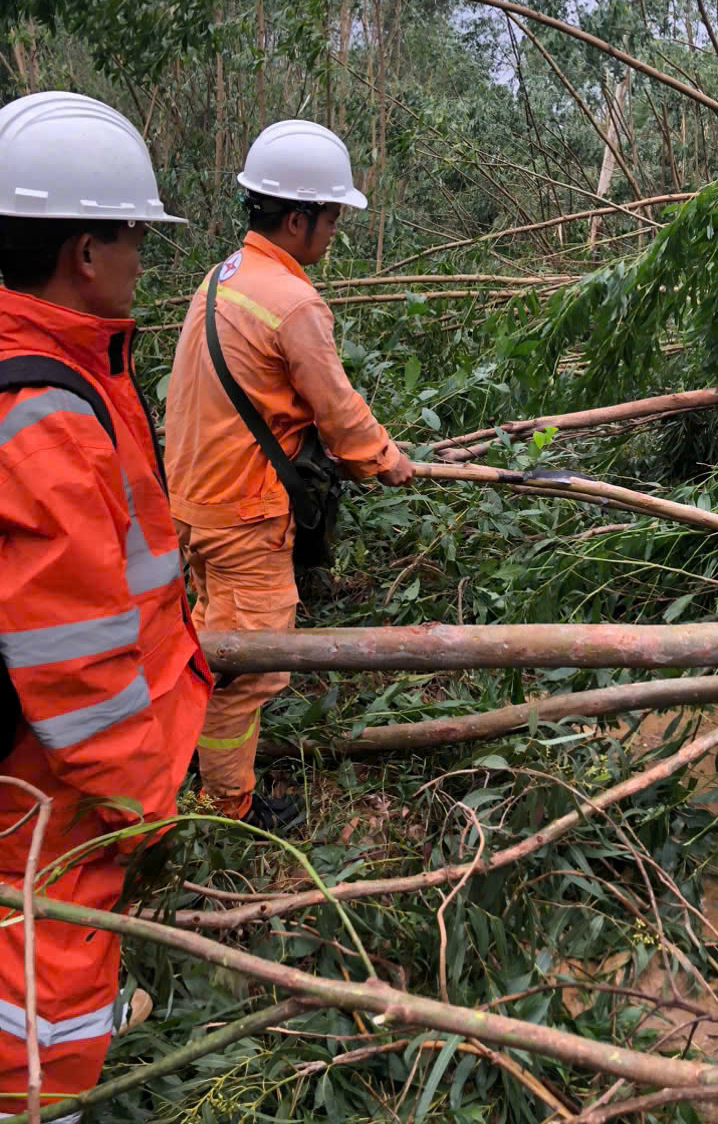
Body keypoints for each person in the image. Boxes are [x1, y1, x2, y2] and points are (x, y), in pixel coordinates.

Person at [0, 91, 212, 1121]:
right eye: (135, 235)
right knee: (41, 973)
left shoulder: (67, 366)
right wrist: (139, 802)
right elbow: (75, 659)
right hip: (56, 788)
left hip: (58, 768)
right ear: (86, 249)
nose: (143, 257)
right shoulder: (45, 411)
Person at [164, 120, 413, 828]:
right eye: (331, 216)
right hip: (243, 516)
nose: (334, 231)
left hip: (192, 504)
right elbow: (339, 412)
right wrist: (387, 462)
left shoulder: (223, 278)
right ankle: (227, 810)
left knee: (208, 645)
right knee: (252, 669)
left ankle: (192, 760)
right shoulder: (294, 302)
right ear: (298, 216)